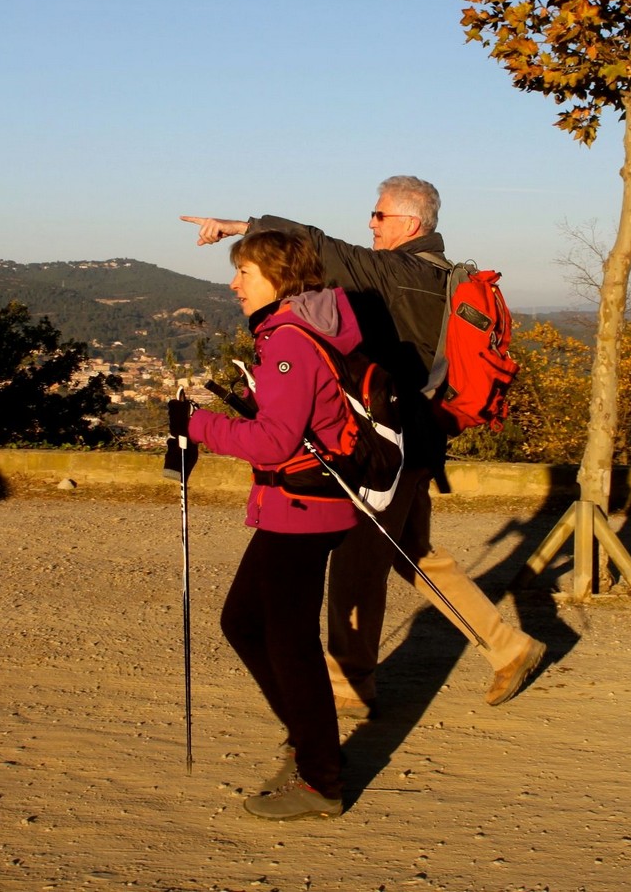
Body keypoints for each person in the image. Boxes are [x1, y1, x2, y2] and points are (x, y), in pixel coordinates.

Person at [182, 176, 546, 716]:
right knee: (412, 551)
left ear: (410, 223)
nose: (370, 224)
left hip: (389, 445)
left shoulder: (398, 272)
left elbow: (320, 246)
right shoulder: (442, 278)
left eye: (378, 215)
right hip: (420, 436)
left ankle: (350, 684)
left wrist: (242, 227)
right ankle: (508, 647)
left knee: (358, 559)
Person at [170, 229, 360, 820]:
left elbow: (276, 442)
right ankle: (308, 745)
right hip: (301, 505)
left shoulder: (289, 341)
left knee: (288, 642)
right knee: (245, 622)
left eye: (245, 272)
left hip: (303, 509)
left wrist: (197, 425)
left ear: (278, 277)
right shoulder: (301, 331)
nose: (234, 284)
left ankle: (320, 779)